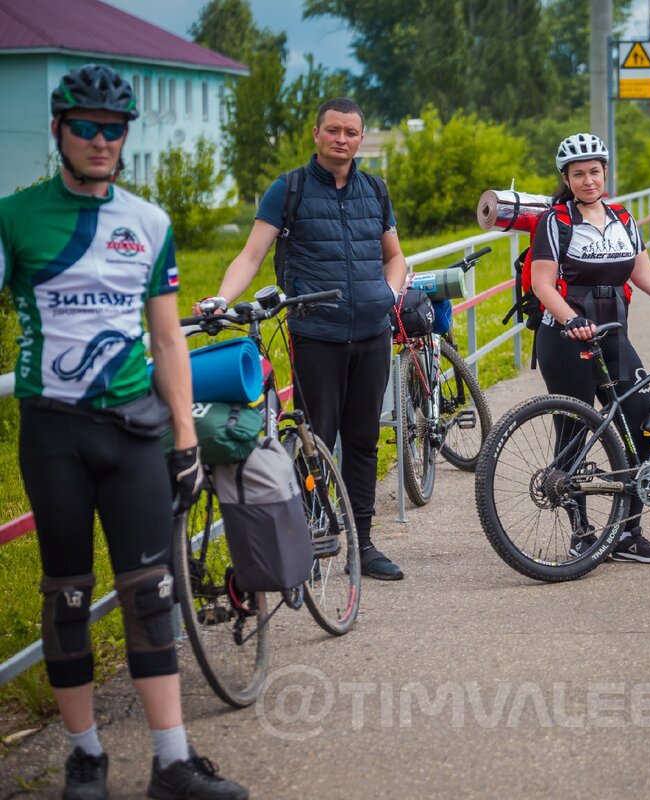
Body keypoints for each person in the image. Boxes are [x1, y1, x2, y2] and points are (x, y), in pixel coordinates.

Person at [0, 64, 247, 799]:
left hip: (136, 432)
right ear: (59, 130)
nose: (102, 141)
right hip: (54, 435)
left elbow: (168, 340)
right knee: (68, 595)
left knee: (150, 592)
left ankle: (171, 762)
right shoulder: (16, 216)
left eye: (115, 130)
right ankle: (85, 757)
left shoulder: (149, 221)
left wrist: (184, 436)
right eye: (87, 128)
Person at [203, 98, 406, 581]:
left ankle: (364, 542)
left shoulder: (375, 190)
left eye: (351, 132)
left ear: (360, 138)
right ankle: (315, 535)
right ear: (316, 134)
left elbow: (394, 256)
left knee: (362, 440)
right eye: (333, 130)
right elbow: (252, 254)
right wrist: (220, 298)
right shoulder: (288, 189)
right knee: (316, 438)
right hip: (316, 336)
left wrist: (388, 294)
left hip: (372, 334)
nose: (342, 139)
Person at [531, 133, 650, 563]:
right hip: (567, 339)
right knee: (574, 436)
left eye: (594, 172)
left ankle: (625, 534)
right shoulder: (555, 221)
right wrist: (572, 319)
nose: (588, 180)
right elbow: (541, 283)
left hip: (614, 338)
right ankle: (582, 534)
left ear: (605, 172)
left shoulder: (623, 218)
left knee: (645, 428)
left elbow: (648, 279)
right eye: (578, 174)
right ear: (566, 177)